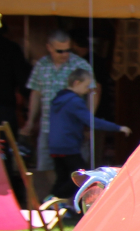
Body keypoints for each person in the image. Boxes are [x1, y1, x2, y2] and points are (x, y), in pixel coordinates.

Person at [48, 70, 128, 203]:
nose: (87, 91)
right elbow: (91, 121)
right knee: (81, 176)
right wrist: (118, 128)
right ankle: (54, 198)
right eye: (86, 86)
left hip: (55, 145)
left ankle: (53, 202)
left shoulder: (57, 99)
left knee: (62, 177)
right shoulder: (74, 101)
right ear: (76, 83)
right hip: (68, 145)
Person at [23, 29, 93, 174]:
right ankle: (49, 196)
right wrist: (30, 121)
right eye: (59, 51)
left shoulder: (80, 64)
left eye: (67, 50)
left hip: (72, 129)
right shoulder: (41, 65)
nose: (64, 54)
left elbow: (93, 92)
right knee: (44, 170)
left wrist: (89, 120)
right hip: (47, 127)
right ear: (49, 47)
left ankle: (73, 197)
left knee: (74, 173)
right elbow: (36, 93)